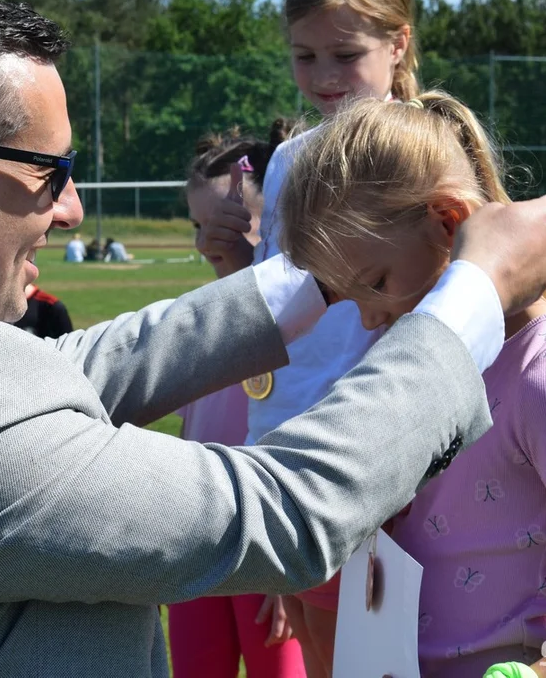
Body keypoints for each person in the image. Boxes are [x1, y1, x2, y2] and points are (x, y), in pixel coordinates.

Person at [0, 0, 546, 677]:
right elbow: (285, 512)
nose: (71, 209)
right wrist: (468, 292)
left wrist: (331, 268)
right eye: (49, 174)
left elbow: (63, 374)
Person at [279, 92, 546, 677]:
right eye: (350, 297)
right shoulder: (400, 355)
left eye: (376, 281)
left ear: (448, 222)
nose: (366, 319)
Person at [193, 0, 427, 673]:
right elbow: (283, 326)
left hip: (399, 475)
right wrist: (235, 269)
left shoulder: (424, 153)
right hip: (296, 470)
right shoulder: (290, 162)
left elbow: (443, 325)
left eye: (345, 54)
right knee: (325, 661)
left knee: (386, 662)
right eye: (304, 55)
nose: (323, 74)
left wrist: (393, 469)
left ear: (398, 44)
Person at [169, 123, 306, 678]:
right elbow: (192, 433)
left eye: (227, 224)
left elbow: (300, 448)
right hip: (197, 541)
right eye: (200, 226)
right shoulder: (200, 316)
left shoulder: (303, 322)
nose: (208, 243)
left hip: (265, 547)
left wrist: (289, 565)